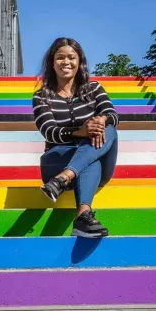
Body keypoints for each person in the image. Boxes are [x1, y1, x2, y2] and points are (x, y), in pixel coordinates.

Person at [32, 38, 119, 238]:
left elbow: (113, 115)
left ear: (80, 62)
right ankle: (83, 216)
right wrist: (79, 131)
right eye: (60, 57)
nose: (66, 62)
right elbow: (48, 131)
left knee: (110, 129)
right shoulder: (41, 96)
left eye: (71, 57)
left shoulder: (94, 88)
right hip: (56, 160)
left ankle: (64, 179)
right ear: (52, 63)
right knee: (92, 159)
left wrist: (101, 119)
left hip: (64, 175)